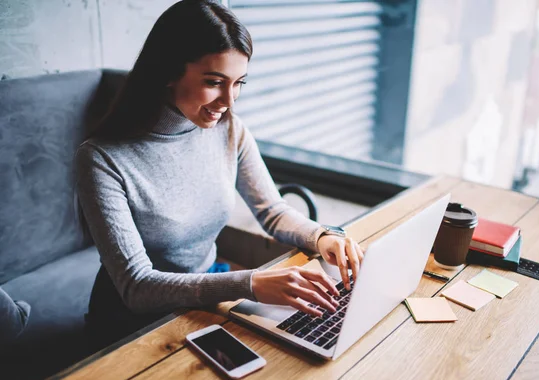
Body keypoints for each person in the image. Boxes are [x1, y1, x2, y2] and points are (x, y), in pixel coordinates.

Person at [76, 0, 363, 346]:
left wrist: (322, 237)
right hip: (133, 316)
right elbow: (137, 286)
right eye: (214, 82)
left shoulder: (230, 130)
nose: (229, 100)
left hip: (206, 288)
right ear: (167, 72)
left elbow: (271, 210)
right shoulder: (100, 159)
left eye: (239, 82)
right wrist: (252, 283)